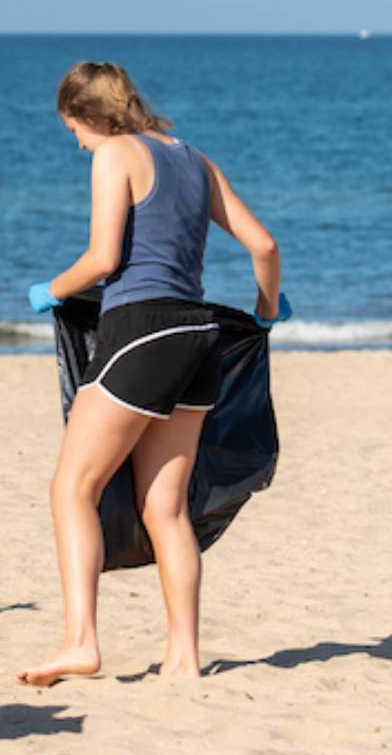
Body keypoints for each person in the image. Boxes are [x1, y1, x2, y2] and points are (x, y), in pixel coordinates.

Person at [18, 63, 285, 687]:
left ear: (86, 117)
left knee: (71, 488)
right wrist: (267, 313)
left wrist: (48, 290)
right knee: (165, 507)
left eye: (73, 132)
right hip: (199, 340)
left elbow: (104, 258)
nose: (79, 145)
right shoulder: (194, 158)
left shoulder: (114, 154)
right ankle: (184, 658)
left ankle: (81, 642)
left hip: (142, 333)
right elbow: (264, 246)